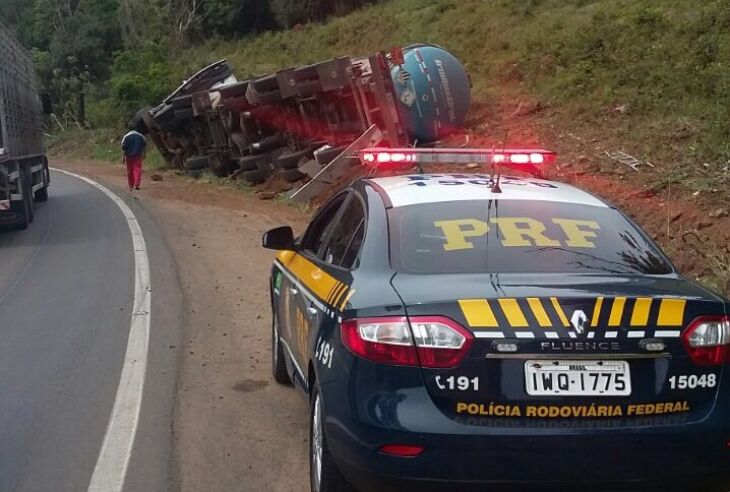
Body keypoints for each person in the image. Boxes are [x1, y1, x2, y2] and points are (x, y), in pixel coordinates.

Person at [121, 127, 147, 191]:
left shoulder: (126, 136)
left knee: (130, 170)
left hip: (129, 156)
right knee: (137, 169)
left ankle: (131, 185)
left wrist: (123, 157)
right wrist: (144, 154)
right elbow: (144, 146)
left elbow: (124, 148)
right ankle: (137, 184)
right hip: (138, 155)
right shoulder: (141, 136)